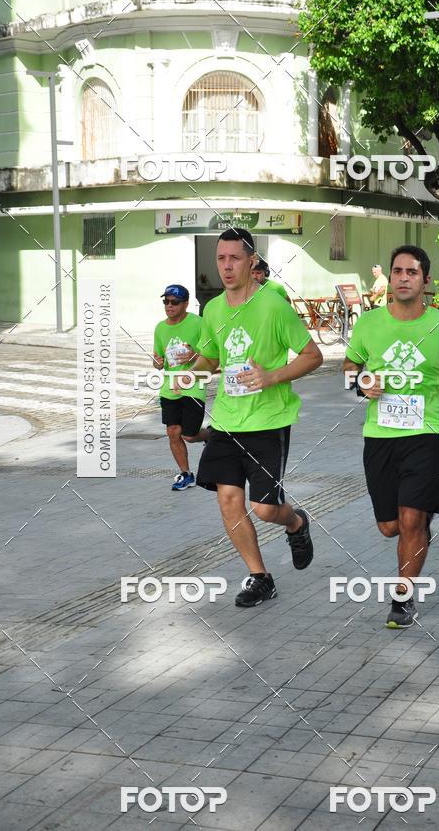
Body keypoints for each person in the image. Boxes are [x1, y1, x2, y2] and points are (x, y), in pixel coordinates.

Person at [185, 227, 323, 607]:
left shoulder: (273, 306)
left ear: (252, 262)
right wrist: (187, 369)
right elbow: (212, 359)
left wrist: (271, 376)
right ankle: (260, 577)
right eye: (221, 259)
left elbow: (313, 356)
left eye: (234, 259)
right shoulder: (212, 310)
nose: (226, 267)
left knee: (264, 509)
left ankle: (296, 522)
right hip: (228, 421)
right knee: (229, 500)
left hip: (268, 421)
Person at [343, 245, 439, 629]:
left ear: (425, 281)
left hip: (428, 433)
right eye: (397, 271)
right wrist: (360, 382)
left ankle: (403, 598)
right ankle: (418, 530)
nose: (403, 277)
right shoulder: (369, 323)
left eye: (412, 272)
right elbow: (349, 368)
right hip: (380, 436)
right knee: (390, 527)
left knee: (412, 517)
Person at [153, 285, 210, 491]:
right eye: (166, 302)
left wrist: (195, 356)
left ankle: (211, 435)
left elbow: (212, 354)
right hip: (170, 387)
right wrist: (157, 362)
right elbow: (158, 360)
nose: (169, 306)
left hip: (194, 384)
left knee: (189, 434)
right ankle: (186, 474)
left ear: (186, 304)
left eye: (174, 302)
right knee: (173, 432)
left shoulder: (198, 323)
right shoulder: (160, 328)